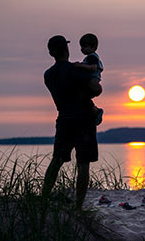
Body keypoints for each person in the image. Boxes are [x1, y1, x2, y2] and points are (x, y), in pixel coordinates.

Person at [42, 35, 102, 210]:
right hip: (83, 119)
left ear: (52, 53)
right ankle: (78, 207)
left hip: (64, 119)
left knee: (57, 160)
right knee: (83, 163)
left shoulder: (48, 75)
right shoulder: (75, 69)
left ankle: (43, 200)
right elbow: (97, 88)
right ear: (66, 50)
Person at [74, 33, 104, 125]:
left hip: (93, 80)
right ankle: (92, 112)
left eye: (85, 46)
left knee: (82, 97)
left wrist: (80, 66)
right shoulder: (89, 57)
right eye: (81, 47)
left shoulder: (92, 57)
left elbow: (93, 68)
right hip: (91, 81)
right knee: (83, 99)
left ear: (93, 47)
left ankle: (95, 111)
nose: (82, 49)